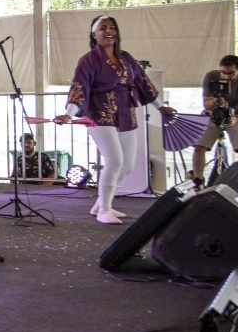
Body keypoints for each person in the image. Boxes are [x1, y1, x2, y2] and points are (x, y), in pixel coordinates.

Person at [54, 15, 174, 223]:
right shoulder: (88, 60)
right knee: (115, 161)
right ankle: (105, 210)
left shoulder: (127, 58)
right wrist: (69, 114)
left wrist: (160, 107)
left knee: (127, 165)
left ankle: (101, 203)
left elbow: (144, 83)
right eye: (103, 28)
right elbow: (79, 88)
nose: (108, 31)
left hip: (126, 114)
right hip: (99, 115)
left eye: (112, 28)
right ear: (94, 33)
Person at [191, 55, 238, 186]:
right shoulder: (211, 77)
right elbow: (206, 104)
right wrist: (214, 101)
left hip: (236, 115)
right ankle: (198, 180)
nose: (226, 77)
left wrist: (234, 119)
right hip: (213, 114)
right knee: (199, 146)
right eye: (223, 73)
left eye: (231, 73)